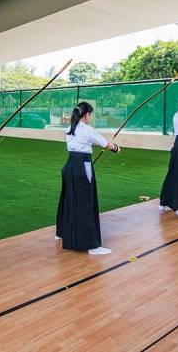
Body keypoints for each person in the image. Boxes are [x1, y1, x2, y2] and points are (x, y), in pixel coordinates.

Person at [56, 102, 120, 255]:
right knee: (86, 202)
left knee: (69, 198)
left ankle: (62, 232)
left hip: (70, 165)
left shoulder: (70, 127)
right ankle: (92, 245)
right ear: (86, 115)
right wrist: (116, 148)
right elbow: (106, 145)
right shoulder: (88, 129)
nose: (91, 116)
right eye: (91, 114)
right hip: (83, 165)